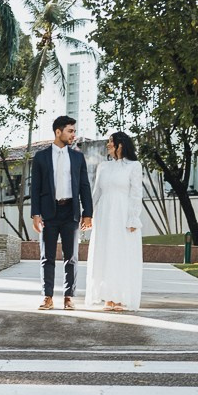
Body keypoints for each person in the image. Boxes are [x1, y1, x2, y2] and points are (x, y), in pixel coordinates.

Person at [30, 115, 93, 310]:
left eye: (74, 131)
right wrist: (35, 214)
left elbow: (84, 186)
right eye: (70, 131)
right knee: (47, 256)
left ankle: (68, 296)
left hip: (70, 212)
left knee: (71, 256)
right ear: (58, 132)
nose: (74, 134)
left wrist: (87, 213)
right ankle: (47, 297)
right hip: (49, 212)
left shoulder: (77, 157)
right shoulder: (40, 157)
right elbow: (36, 188)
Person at [85, 131, 143, 312]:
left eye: (111, 142)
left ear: (121, 145)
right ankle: (108, 297)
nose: (108, 145)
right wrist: (88, 214)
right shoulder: (103, 166)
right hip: (104, 216)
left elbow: (136, 193)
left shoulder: (134, 166)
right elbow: (97, 192)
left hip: (123, 215)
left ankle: (120, 298)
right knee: (105, 253)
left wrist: (133, 218)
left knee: (120, 254)